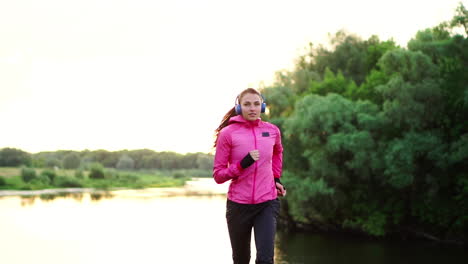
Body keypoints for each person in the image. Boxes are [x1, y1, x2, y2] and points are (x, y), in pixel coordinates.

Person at [213, 88, 286, 264]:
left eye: (256, 104)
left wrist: (276, 179)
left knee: (265, 259)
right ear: (239, 108)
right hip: (238, 206)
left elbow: (278, 152)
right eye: (247, 104)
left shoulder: (272, 131)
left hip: (267, 202)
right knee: (241, 259)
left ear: (262, 106)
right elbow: (218, 175)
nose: (252, 108)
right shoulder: (228, 134)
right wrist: (241, 165)